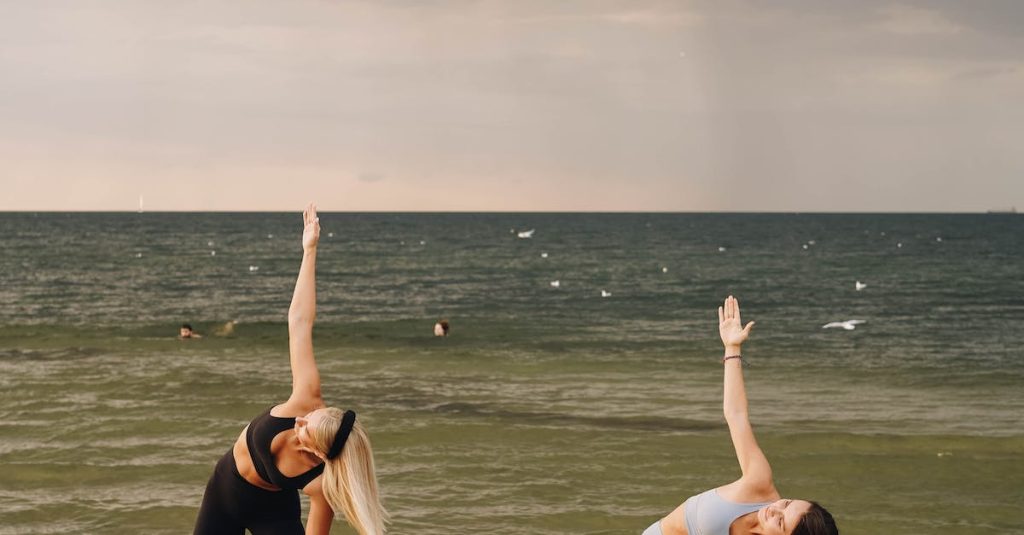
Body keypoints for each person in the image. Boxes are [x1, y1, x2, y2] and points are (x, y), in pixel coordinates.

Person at [194, 204, 388, 535]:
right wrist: (309, 250)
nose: (299, 419)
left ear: (319, 454)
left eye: (304, 429)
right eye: (309, 417)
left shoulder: (323, 485)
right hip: (223, 491)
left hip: (273, 515)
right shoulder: (307, 397)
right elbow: (298, 321)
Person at [642, 296, 838, 535]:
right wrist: (732, 348)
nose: (774, 509)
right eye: (786, 504)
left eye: (780, 522)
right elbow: (736, 415)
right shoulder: (759, 483)